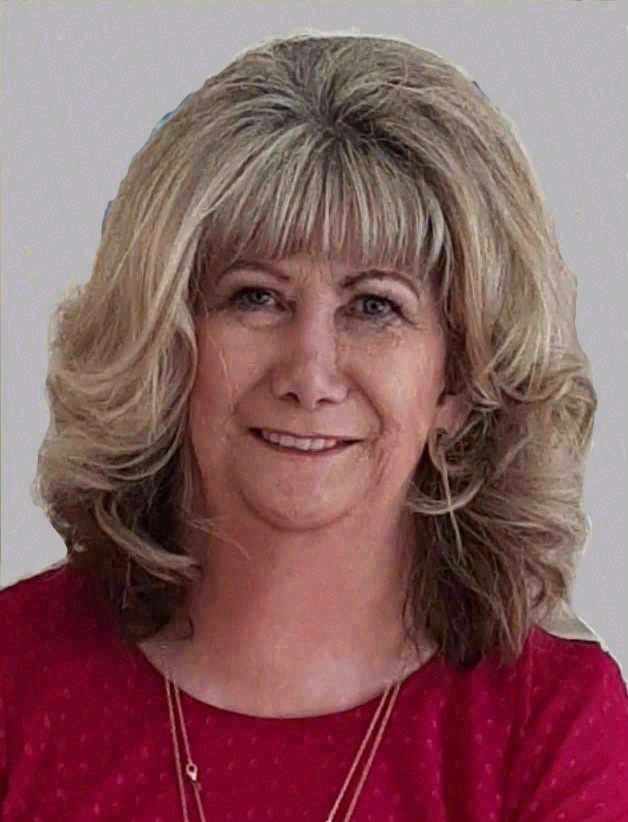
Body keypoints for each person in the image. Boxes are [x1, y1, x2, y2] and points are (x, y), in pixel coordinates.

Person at [1, 30, 626, 822]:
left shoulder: (546, 720)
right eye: (256, 297)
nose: (309, 373)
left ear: (461, 378)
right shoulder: (14, 681)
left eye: (375, 307)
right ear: (166, 344)